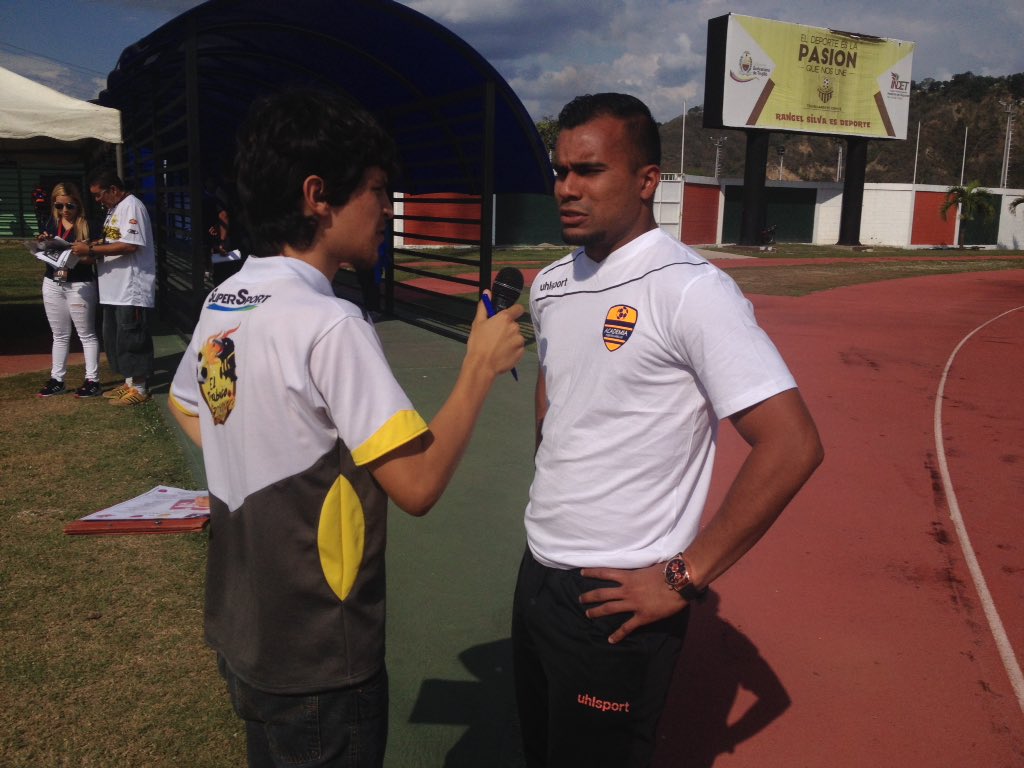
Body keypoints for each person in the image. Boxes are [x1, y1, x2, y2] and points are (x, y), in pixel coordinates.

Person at [168, 87, 524, 767]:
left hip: (244, 634)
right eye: (377, 190)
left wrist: (248, 451)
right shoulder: (332, 324)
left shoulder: (227, 298)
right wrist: (479, 366)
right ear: (317, 196)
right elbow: (417, 484)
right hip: (320, 657)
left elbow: (187, 402)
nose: (387, 209)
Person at [512, 93, 824, 767]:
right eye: (561, 171)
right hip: (537, 572)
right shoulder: (551, 283)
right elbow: (555, 389)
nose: (566, 188)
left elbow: (792, 443)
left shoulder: (690, 289)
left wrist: (682, 576)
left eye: (589, 171)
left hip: (616, 594)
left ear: (647, 180)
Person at [71, 169, 157, 405]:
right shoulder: (114, 210)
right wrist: (91, 245)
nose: (97, 200)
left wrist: (90, 250)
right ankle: (129, 382)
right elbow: (111, 240)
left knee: (132, 336)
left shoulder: (132, 206)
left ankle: (139, 387)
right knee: (116, 337)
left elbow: (130, 245)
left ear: (114, 190)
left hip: (131, 287)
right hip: (113, 288)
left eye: (99, 195)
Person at [35, 182, 101, 398]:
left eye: (69, 206)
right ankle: (57, 380)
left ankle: (92, 380)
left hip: (79, 283)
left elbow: (95, 258)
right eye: (59, 206)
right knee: (59, 334)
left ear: (78, 204)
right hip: (53, 282)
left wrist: (78, 255)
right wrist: (43, 245)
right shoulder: (51, 223)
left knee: (86, 334)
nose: (64, 211)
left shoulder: (88, 224)